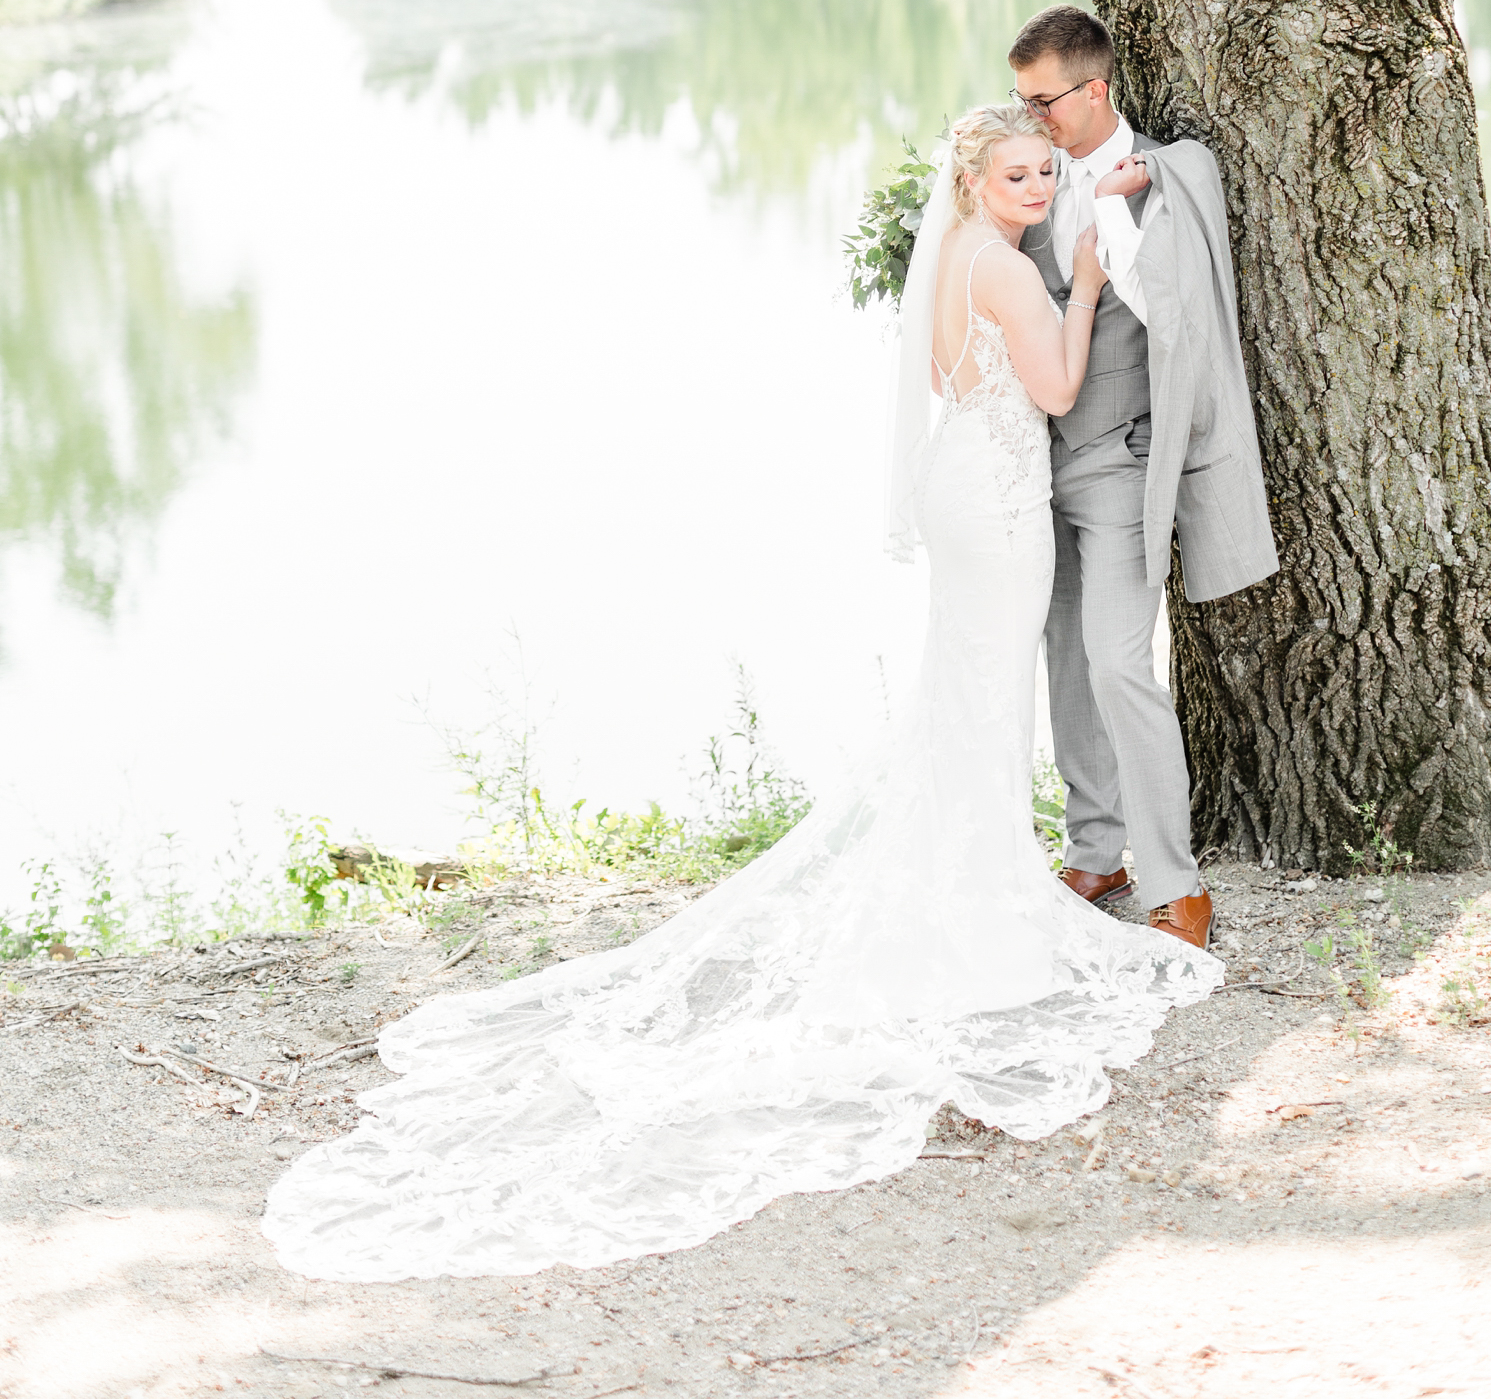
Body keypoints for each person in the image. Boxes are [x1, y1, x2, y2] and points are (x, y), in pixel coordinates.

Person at [262, 105, 1221, 1284]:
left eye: (1043, 173)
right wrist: (1078, 282)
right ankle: (983, 898)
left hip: (961, 480)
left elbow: (942, 375)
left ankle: (989, 866)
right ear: (974, 180)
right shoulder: (1019, 273)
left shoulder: (953, 260)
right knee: (981, 695)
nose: (1035, 186)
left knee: (963, 690)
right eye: (1016, 173)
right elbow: (1063, 390)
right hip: (1008, 499)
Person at [1008, 6, 1278, 950]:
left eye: (1044, 100)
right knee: (1066, 658)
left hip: (1123, 461)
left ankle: (1176, 879)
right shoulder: (1022, 170)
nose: (1031, 117)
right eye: (1021, 98)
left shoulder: (1171, 175)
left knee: (1122, 658)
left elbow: (1167, 301)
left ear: (1096, 90)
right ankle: (1097, 849)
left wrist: (1117, 203)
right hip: (1031, 467)